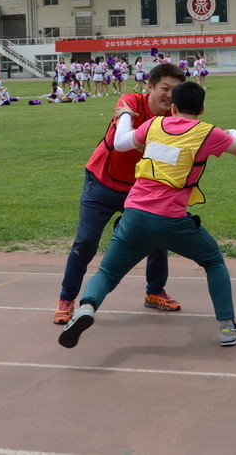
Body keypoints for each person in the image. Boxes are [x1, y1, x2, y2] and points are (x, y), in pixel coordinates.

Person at [59, 80, 236, 349]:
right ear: (202, 109)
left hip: (134, 215)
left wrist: (126, 114)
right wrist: (233, 132)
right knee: (213, 261)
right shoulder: (208, 133)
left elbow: (121, 142)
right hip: (172, 221)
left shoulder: (152, 125)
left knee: (107, 272)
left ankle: (86, 309)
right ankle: (227, 327)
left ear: (172, 107)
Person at [53, 62, 186, 325]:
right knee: (86, 243)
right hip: (101, 182)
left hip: (139, 189)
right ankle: (66, 299)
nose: (170, 95)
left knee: (157, 238)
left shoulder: (175, 117)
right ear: (149, 87)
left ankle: (154, 291)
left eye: (176, 90)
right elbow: (121, 143)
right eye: (165, 88)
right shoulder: (131, 102)